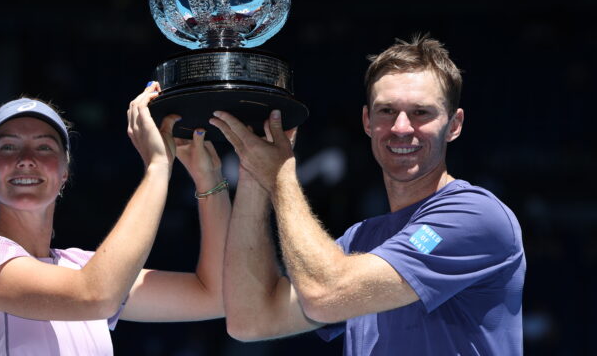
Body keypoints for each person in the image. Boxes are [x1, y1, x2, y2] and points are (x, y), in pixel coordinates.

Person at [211, 35, 526, 355]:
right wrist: (252, 173)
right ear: (367, 121)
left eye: (421, 113)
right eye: (386, 110)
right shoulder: (360, 241)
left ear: (454, 125)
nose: (401, 127)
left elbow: (325, 294)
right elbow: (250, 319)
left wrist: (280, 178)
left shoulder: (475, 215)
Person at [0, 82, 231, 355]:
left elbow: (216, 295)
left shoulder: (82, 268)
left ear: (64, 173)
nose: (26, 158)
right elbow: (95, 295)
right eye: (8, 146)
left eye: (44, 147)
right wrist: (157, 167)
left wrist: (208, 179)